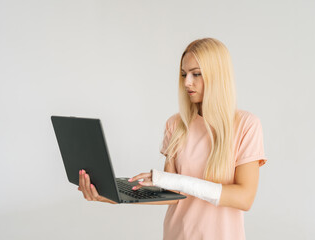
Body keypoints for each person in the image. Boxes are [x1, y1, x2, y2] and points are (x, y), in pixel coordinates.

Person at [78, 37, 268, 240]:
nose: (187, 82)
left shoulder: (247, 125)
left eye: (196, 74)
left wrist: (176, 181)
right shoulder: (175, 125)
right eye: (184, 74)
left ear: (218, 76)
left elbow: (244, 198)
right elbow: (171, 193)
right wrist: (111, 195)